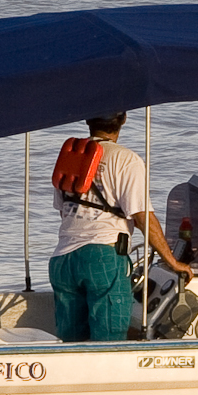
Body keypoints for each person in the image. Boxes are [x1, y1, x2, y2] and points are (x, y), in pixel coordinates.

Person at [49, 112, 189, 342]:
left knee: (71, 342)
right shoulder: (125, 159)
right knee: (109, 338)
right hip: (103, 257)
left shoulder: (69, 156)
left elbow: (62, 209)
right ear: (123, 120)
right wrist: (172, 261)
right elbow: (142, 217)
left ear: (88, 120)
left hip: (62, 260)